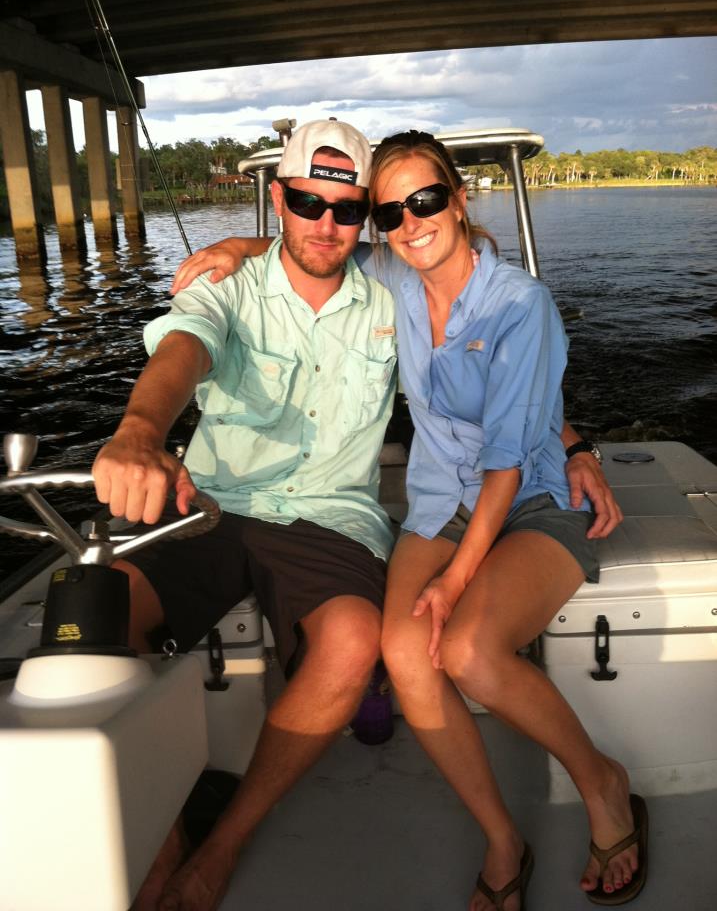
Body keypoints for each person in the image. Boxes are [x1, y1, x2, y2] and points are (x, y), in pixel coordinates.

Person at [174, 128, 643, 911]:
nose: (409, 221)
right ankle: (501, 835)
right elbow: (312, 245)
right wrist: (235, 244)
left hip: (526, 497)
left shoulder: (520, 303)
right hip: (435, 501)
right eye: (389, 211)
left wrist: (459, 574)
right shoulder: (390, 272)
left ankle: (601, 782)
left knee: (465, 649)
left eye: (425, 201)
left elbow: (504, 457)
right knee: (404, 649)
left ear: (459, 201)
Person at [92, 119, 399, 911]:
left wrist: (569, 443)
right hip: (215, 504)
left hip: (329, 516)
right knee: (98, 610)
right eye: (307, 202)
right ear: (278, 199)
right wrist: (137, 433)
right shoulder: (222, 283)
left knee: (355, 639)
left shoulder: (392, 288)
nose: (325, 223)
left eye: (347, 207)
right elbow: (182, 348)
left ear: (365, 213)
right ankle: (161, 856)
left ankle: (219, 849)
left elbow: (477, 274)